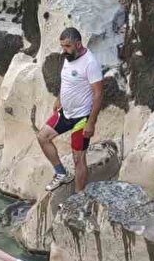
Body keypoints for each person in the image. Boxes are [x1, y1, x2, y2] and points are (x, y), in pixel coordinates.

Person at [37, 27, 105, 192]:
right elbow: (66, 80)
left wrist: (91, 123)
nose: (64, 50)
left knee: (78, 158)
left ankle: (77, 198)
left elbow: (98, 94)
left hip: (81, 118)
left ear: (78, 44)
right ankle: (61, 173)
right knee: (43, 137)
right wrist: (59, 98)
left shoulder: (90, 63)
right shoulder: (69, 57)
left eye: (67, 46)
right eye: (62, 46)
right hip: (65, 112)